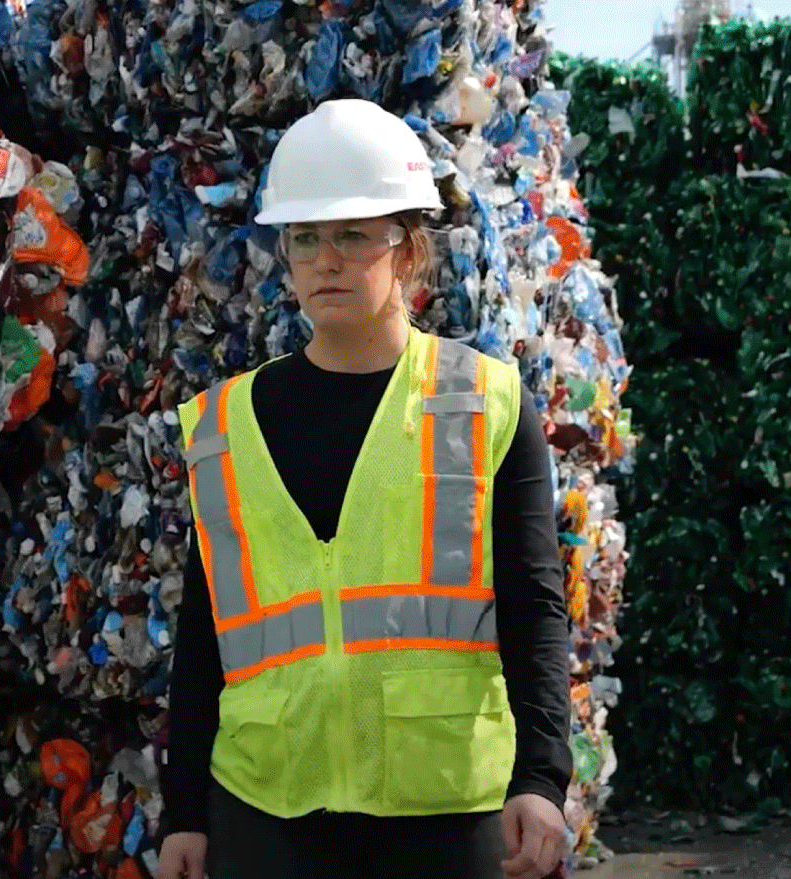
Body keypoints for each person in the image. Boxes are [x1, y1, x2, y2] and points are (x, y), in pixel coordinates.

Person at [154, 99, 575, 879]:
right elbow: (203, 633)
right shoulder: (222, 425)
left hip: (445, 812)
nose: (326, 260)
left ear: (408, 250)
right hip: (268, 810)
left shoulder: (484, 402)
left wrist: (542, 779)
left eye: (352, 235)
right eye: (305, 238)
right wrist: (185, 812)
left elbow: (534, 606)